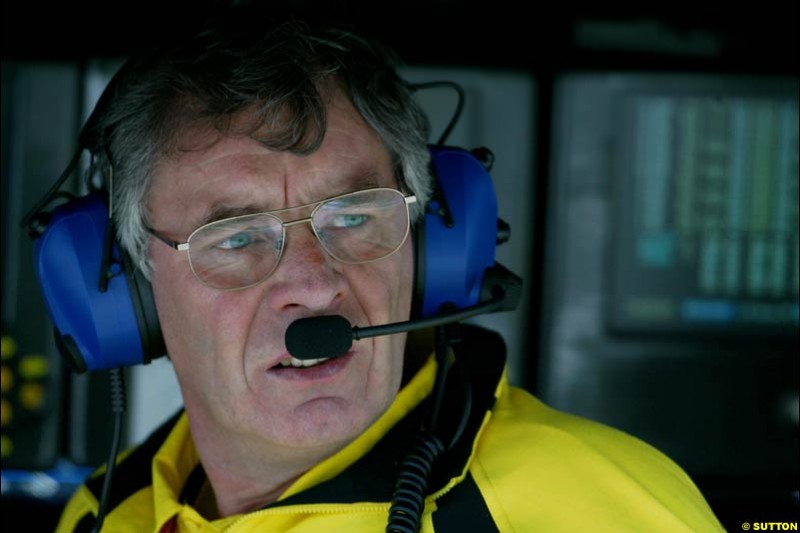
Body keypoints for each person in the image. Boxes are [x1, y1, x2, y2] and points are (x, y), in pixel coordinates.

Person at [54, 15, 724, 533]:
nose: (315, 284)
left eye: (353, 216)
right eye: (235, 237)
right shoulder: (101, 516)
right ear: (130, 287)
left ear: (430, 244)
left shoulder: (593, 504)